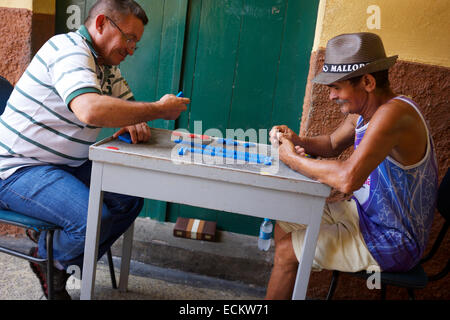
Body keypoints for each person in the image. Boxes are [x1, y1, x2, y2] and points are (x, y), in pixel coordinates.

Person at [0, 0, 189, 299]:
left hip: (64, 166)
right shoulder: (69, 50)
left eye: (135, 44)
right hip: (18, 168)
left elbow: (128, 112)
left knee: (128, 199)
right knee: (93, 218)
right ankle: (52, 259)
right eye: (129, 38)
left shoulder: (106, 68)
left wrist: (139, 119)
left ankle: (56, 259)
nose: (130, 49)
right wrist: (155, 110)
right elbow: (90, 110)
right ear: (101, 24)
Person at [266, 32, 438, 299]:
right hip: (363, 217)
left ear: (367, 82)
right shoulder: (364, 111)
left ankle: (288, 264)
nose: (332, 96)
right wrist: (296, 140)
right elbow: (332, 143)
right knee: (287, 222)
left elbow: (348, 179)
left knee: (287, 250)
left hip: (392, 239)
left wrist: (291, 159)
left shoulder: (394, 114)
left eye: (336, 87)